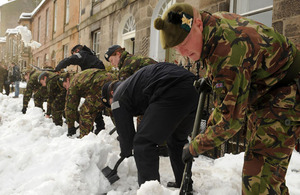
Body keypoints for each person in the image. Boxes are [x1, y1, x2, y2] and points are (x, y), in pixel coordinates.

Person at [154, 3, 300, 194]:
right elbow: (226, 101)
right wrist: (213, 81)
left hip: (284, 93)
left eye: (184, 43)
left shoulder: (227, 54)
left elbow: (231, 123)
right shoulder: (212, 25)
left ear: (197, 24)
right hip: (268, 90)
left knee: (258, 184)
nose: (183, 53)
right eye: (176, 48)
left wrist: (194, 147)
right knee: (269, 177)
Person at [101, 62, 199, 190]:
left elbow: (127, 135)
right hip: (194, 89)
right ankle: (184, 184)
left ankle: (150, 192)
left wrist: (126, 150)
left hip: (171, 88)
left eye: (109, 103)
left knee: (143, 143)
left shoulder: (118, 97)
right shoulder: (132, 86)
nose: (111, 106)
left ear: (111, 93)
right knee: (176, 141)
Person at [61, 69, 114, 138]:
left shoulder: (73, 83)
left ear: (68, 80)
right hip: (113, 79)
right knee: (113, 107)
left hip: (100, 82)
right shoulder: (79, 76)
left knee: (85, 110)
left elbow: (70, 108)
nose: (66, 89)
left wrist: (70, 128)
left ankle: (85, 138)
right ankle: (124, 132)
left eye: (65, 86)